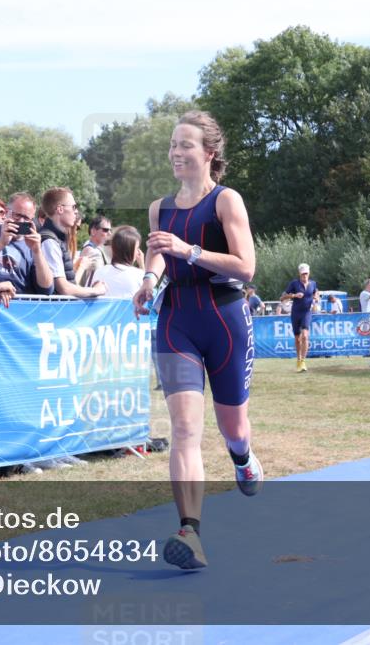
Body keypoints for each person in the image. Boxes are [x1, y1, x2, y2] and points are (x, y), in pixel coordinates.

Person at [132, 110, 261, 570]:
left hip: (224, 316)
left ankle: (242, 457)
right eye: (172, 145)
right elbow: (158, 251)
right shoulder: (159, 208)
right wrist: (148, 279)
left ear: (209, 153)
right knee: (185, 428)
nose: (175, 153)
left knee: (233, 428)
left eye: (185, 145)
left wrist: (191, 251)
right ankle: (191, 532)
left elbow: (246, 268)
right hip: (176, 319)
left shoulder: (227, 201)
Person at [0, 191, 54, 295]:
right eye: (17, 215)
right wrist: (1, 243)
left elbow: (46, 289)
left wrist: (37, 252)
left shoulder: (32, 243)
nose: (21, 222)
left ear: (32, 219)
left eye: (27, 218)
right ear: (6, 213)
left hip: (18, 304)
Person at [38, 187, 107, 298]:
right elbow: (64, 288)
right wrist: (95, 291)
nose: (76, 211)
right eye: (74, 207)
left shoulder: (57, 238)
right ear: (60, 209)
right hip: (54, 311)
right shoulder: (49, 241)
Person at [280, 263, 319, 373]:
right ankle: (298, 360)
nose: (304, 276)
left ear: (309, 273)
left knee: (305, 336)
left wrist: (316, 297)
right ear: (299, 274)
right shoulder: (294, 283)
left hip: (307, 312)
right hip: (296, 313)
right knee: (297, 338)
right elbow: (282, 297)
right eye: (302, 274)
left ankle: (303, 361)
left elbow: (316, 292)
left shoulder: (313, 284)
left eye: (306, 274)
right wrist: (294, 295)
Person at [90, 225, 144, 298]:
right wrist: (142, 265)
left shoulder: (99, 272)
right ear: (130, 250)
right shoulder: (139, 275)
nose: (138, 252)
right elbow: (148, 299)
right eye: (137, 248)